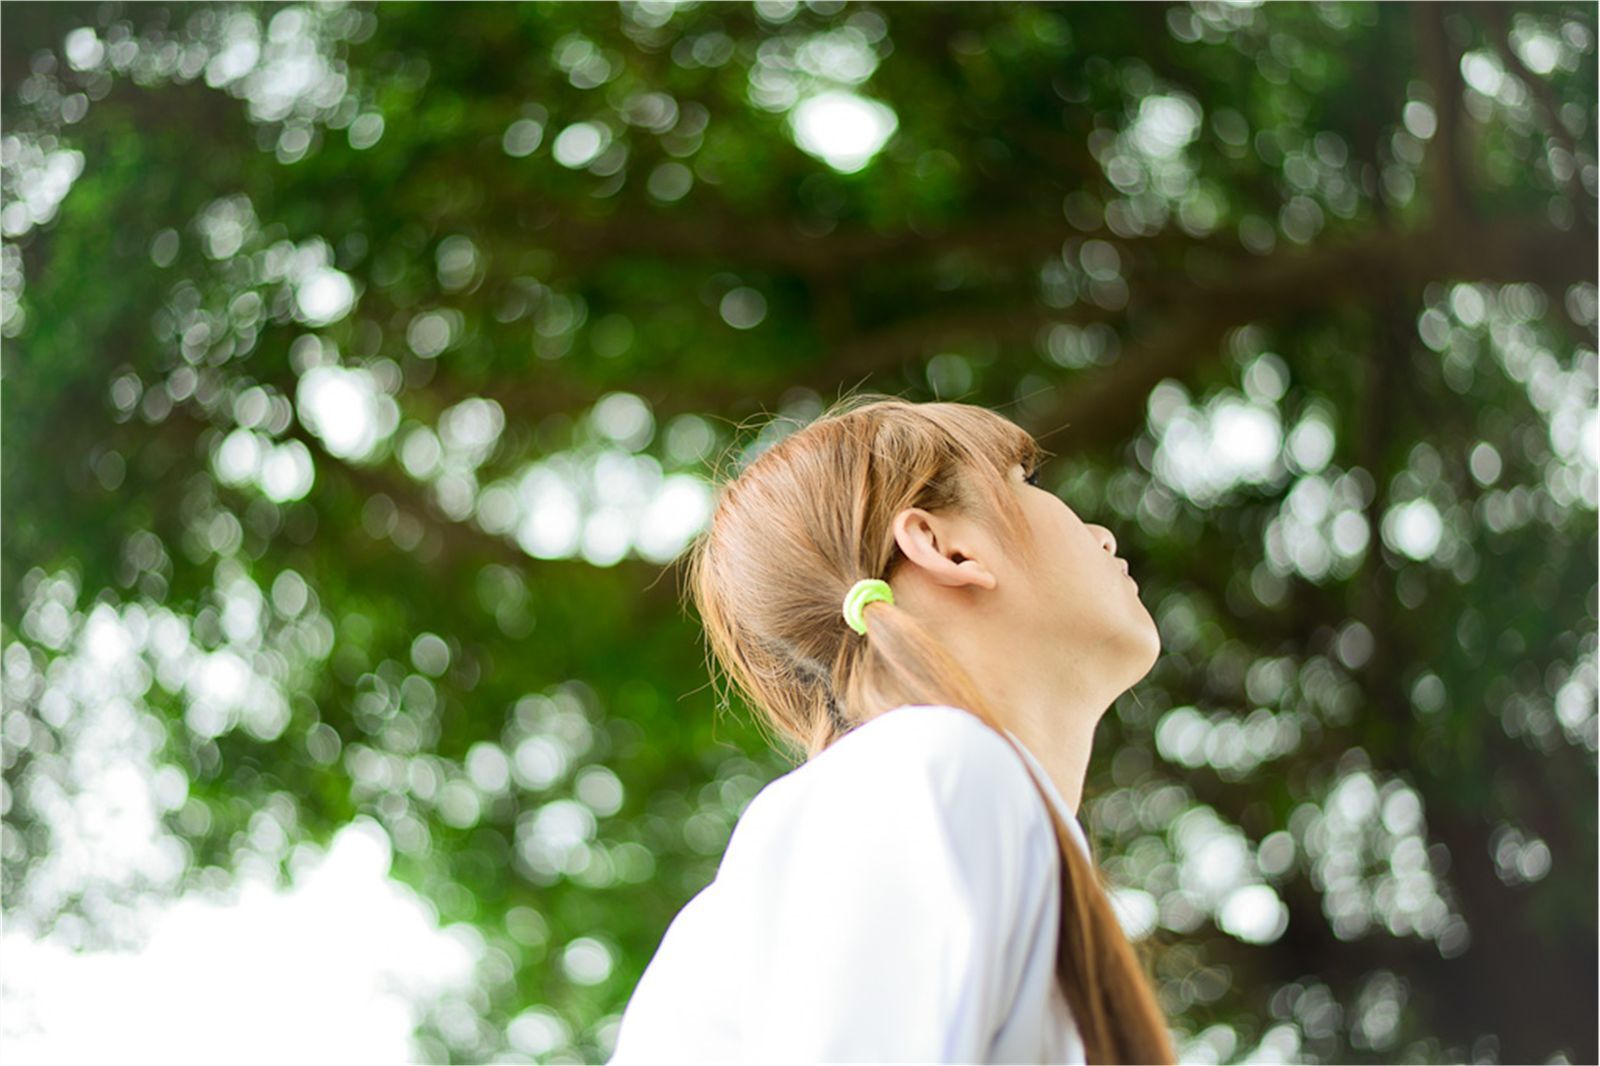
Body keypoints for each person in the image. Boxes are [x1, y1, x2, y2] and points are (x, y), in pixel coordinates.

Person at [608, 393, 1176, 1064]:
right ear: (945, 549)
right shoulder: (927, 770)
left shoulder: (925, 792)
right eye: (1026, 482)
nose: (1102, 535)